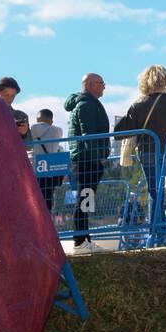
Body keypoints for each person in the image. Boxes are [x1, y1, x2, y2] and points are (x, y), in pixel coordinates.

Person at [115, 65, 166, 244]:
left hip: (148, 152)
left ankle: (158, 236)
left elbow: (120, 131)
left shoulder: (138, 104)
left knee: (154, 193)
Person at [65, 73, 110, 254]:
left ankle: (85, 240)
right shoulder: (87, 105)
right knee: (84, 198)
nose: (104, 87)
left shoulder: (86, 103)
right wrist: (98, 156)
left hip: (86, 159)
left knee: (86, 199)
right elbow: (88, 134)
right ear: (90, 85)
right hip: (87, 160)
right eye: (101, 83)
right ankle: (80, 241)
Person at [27, 108, 66, 213]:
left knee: (35, 198)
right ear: (51, 121)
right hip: (50, 170)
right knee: (48, 197)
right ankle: (47, 221)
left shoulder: (33, 129)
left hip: (35, 169)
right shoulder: (57, 130)